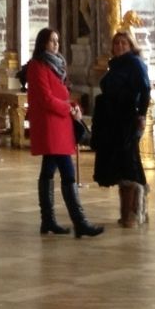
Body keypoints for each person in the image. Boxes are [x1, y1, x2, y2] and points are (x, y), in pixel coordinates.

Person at [25, 27, 103, 238]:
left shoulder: (57, 65)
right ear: (42, 43)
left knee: (49, 170)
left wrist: (73, 106)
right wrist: (68, 108)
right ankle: (80, 222)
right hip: (50, 125)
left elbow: (61, 93)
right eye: (51, 41)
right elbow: (45, 98)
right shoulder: (37, 66)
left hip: (60, 123)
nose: (56, 44)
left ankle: (48, 220)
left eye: (57, 40)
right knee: (68, 171)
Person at [92, 28, 153, 227]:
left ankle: (134, 213)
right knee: (124, 161)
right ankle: (131, 212)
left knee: (129, 161)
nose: (119, 46)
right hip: (113, 120)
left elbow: (145, 90)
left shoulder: (135, 64)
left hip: (128, 119)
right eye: (116, 43)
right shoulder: (116, 65)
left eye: (123, 43)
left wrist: (142, 115)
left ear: (130, 46)